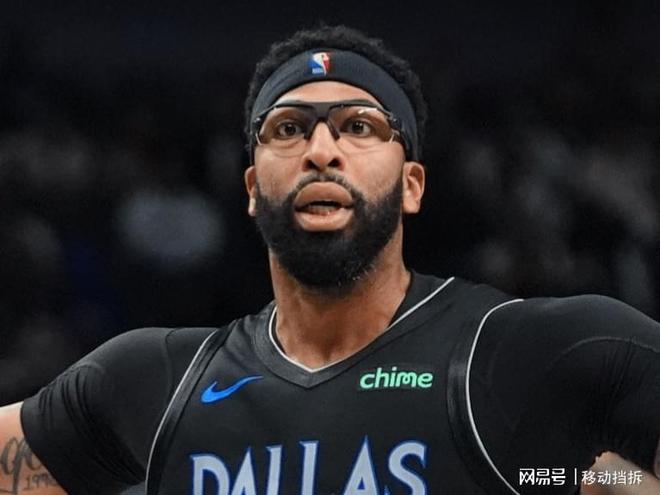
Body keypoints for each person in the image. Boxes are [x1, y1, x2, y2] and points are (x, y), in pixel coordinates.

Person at [1, 24, 659, 495]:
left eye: (358, 126)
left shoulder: (531, 353)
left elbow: (595, 477)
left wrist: (595, 479)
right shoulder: (152, 381)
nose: (321, 150)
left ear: (412, 184)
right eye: (288, 128)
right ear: (252, 188)